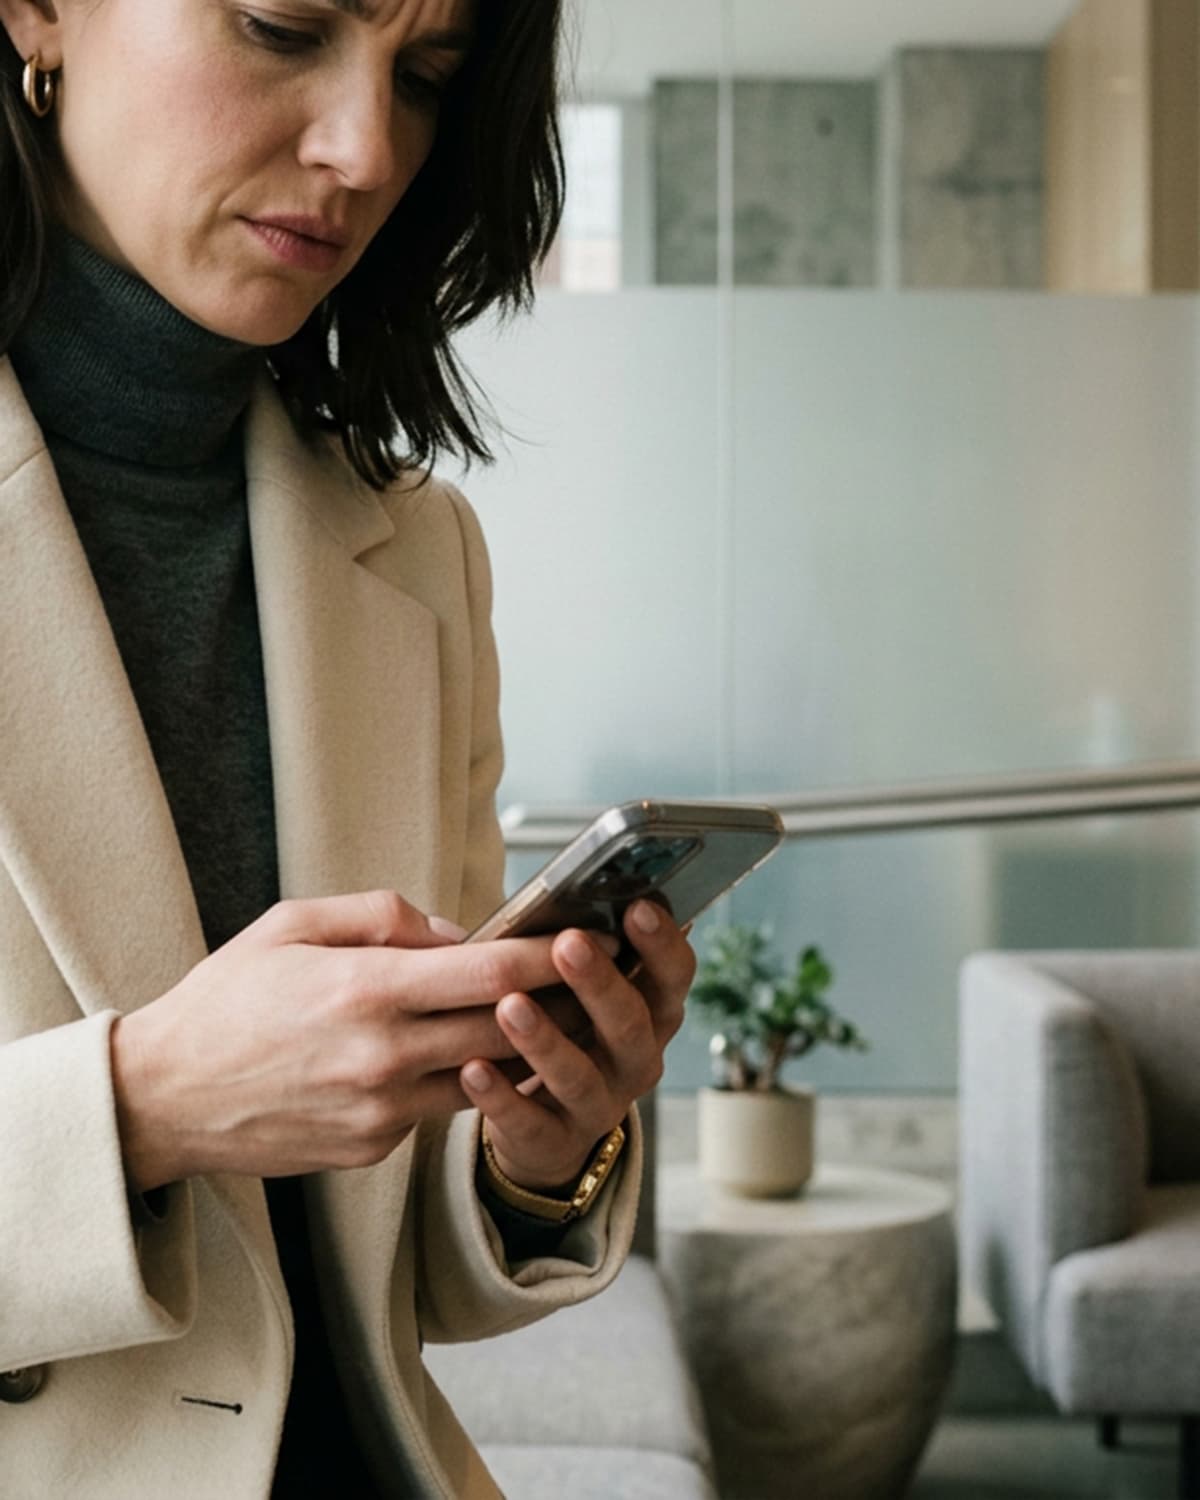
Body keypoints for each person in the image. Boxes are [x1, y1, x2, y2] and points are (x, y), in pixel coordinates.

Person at [0, 2, 696, 1495]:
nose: (366, 148)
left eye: (428, 80)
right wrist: (140, 1109)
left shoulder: (415, 553)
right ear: (38, 12)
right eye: (280, 25)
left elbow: (399, 1279)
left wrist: (535, 1142)